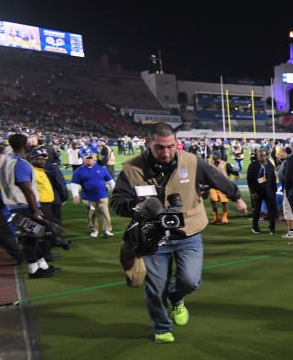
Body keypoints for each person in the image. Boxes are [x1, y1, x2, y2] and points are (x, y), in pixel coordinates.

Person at [111, 123, 247, 344]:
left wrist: (236, 197)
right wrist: (137, 208)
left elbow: (216, 178)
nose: (166, 153)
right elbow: (116, 202)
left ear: (177, 143)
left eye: (171, 147)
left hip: (188, 232)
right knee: (155, 289)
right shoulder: (131, 169)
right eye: (160, 148)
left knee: (191, 281)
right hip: (153, 237)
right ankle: (162, 327)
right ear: (148, 144)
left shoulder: (191, 161)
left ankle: (176, 296)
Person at [0, 134, 58, 278]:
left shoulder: (7, 161)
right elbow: (27, 189)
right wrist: (36, 210)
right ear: (25, 145)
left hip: (13, 205)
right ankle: (33, 269)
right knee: (31, 238)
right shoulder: (20, 163)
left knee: (34, 236)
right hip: (24, 206)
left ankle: (41, 265)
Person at [70, 152, 114, 237]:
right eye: (87, 158)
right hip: (88, 198)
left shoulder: (101, 168)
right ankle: (94, 230)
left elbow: (110, 180)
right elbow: (74, 184)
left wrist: (115, 191)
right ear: (83, 160)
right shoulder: (79, 171)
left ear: (93, 159)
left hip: (102, 196)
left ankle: (107, 230)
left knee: (105, 213)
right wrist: (75, 195)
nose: (89, 160)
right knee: (91, 214)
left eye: (91, 158)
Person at [247, 148, 278, 234]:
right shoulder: (253, 166)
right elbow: (250, 180)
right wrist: (253, 192)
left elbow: (273, 178)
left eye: (265, 155)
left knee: (271, 210)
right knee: (257, 210)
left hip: (269, 192)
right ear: (257, 156)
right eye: (261, 156)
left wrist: (274, 190)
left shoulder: (270, 165)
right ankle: (255, 227)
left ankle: (272, 229)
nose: (263, 157)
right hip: (257, 192)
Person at [208, 152, 235, 224]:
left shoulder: (225, 164)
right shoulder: (209, 164)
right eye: (213, 155)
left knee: (224, 202)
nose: (213, 156)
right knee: (213, 201)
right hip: (213, 186)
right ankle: (216, 217)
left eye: (215, 155)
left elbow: (233, 171)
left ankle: (224, 217)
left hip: (223, 186)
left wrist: (236, 174)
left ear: (219, 156)